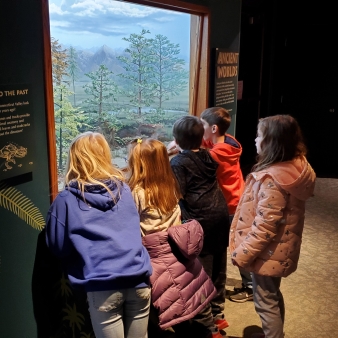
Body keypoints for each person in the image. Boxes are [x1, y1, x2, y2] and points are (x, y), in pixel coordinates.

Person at [45, 131, 152, 338]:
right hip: (139, 279)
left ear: (75, 158)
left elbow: (58, 247)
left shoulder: (66, 199)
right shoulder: (124, 190)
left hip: (102, 285)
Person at [229, 115, 316, 338]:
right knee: (273, 295)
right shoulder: (295, 167)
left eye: (260, 136)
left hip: (267, 252)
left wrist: (243, 253)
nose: (255, 140)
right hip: (278, 249)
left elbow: (265, 225)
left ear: (272, 142)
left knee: (265, 301)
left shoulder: (273, 179)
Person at [126, 138, 217, 337]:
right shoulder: (170, 186)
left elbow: (130, 227)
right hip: (175, 253)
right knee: (181, 306)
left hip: (153, 258)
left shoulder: (138, 193)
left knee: (157, 311)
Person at [170, 115, 230, 338]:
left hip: (199, 220)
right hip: (220, 215)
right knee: (218, 267)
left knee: (199, 275)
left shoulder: (178, 162)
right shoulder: (207, 154)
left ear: (176, 140)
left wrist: (172, 156)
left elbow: (178, 192)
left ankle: (208, 328)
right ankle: (218, 314)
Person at [200, 107, 252, 303]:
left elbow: (200, 159)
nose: (199, 128)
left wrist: (179, 148)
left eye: (202, 125)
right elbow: (204, 143)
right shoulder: (229, 142)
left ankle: (250, 286)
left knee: (239, 247)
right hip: (238, 200)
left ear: (213, 128)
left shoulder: (218, 153)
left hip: (231, 205)